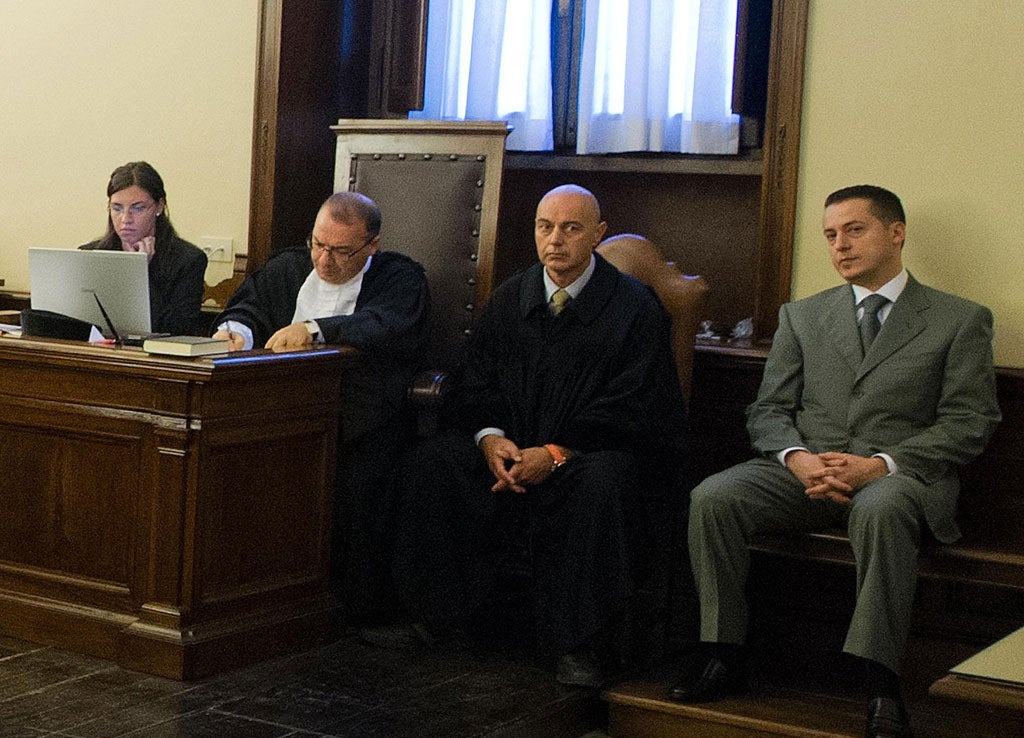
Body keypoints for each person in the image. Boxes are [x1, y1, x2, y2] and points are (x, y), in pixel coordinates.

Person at [669, 185, 1001, 738]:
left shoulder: (958, 319)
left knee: (882, 506)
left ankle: (880, 681)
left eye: (854, 230)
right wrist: (797, 459)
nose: (840, 245)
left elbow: (970, 421)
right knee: (713, 497)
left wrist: (880, 465)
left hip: (899, 478)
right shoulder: (803, 316)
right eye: (829, 235)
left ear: (896, 233)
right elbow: (769, 409)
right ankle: (723, 652)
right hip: (807, 471)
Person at [361, 184, 688, 688]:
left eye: (571, 228)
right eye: (545, 227)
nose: (555, 240)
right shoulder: (511, 298)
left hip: (588, 455)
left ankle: (581, 646)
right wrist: (491, 440)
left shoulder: (634, 308)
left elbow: (638, 406)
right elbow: (477, 385)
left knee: (605, 485)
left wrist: (556, 453)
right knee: (433, 463)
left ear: (598, 234)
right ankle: (435, 619)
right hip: (511, 452)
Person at [213, 191, 430, 621]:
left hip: (360, 418)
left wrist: (314, 330)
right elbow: (247, 307)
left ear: (371, 246)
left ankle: (347, 607)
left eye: (340, 251)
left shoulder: (400, 278)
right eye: (318, 244)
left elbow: (383, 325)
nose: (324, 260)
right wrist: (235, 331)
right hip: (277, 411)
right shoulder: (289, 266)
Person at [82, 161, 207, 335]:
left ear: (159, 206)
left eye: (138, 208)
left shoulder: (188, 260)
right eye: (117, 208)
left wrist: (139, 273)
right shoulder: (90, 255)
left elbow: (178, 329)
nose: (125, 218)